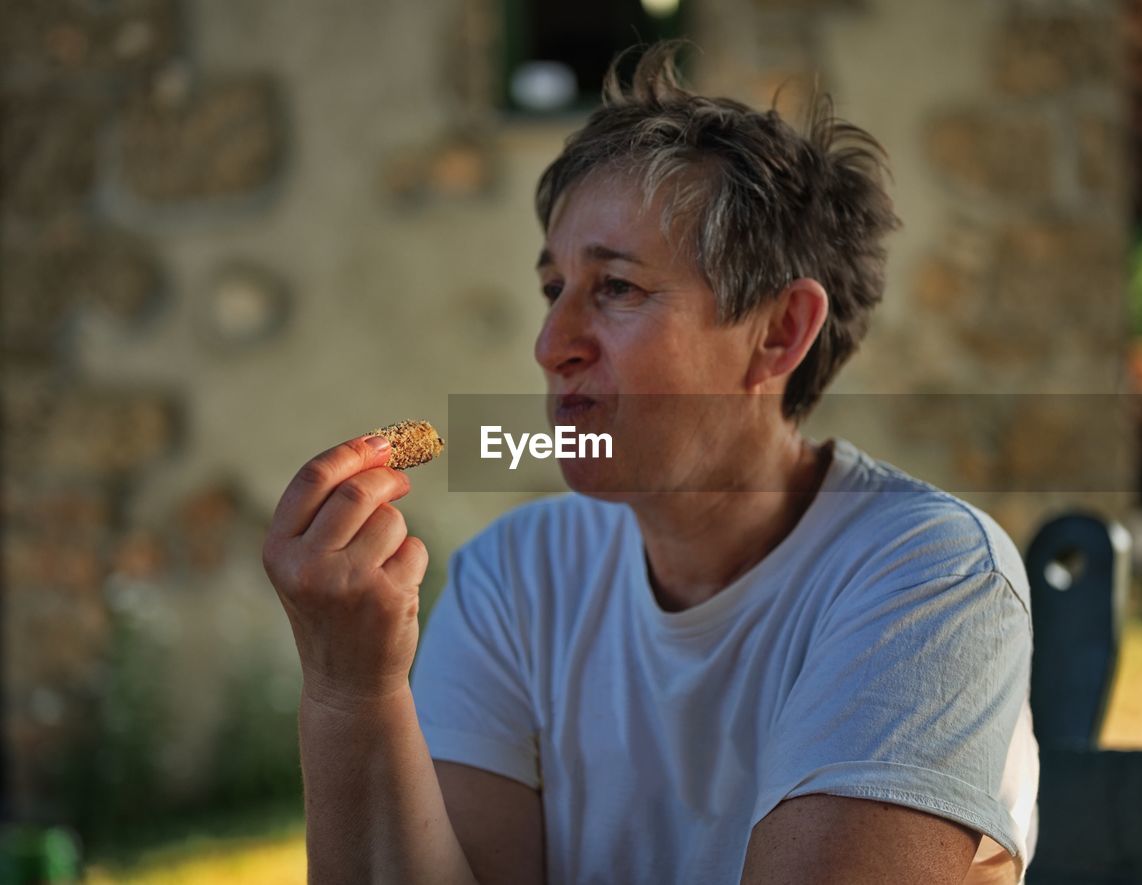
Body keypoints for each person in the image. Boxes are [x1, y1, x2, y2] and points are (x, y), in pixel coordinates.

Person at [263, 43, 1038, 885]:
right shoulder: (516, 577)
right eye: (554, 288)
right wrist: (354, 689)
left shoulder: (926, 579)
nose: (551, 345)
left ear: (778, 332)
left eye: (619, 288)